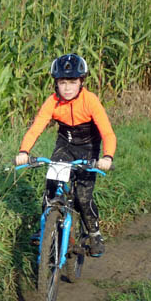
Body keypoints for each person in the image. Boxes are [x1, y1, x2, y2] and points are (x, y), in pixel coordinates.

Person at [15, 53, 116, 257]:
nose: (67, 88)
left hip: (88, 147)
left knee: (82, 197)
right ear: (56, 83)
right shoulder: (52, 102)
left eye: (72, 82)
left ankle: (94, 233)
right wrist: (24, 152)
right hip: (65, 145)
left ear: (81, 82)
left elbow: (107, 132)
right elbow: (35, 129)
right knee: (52, 186)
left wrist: (107, 157)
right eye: (62, 82)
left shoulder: (90, 101)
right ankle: (46, 227)